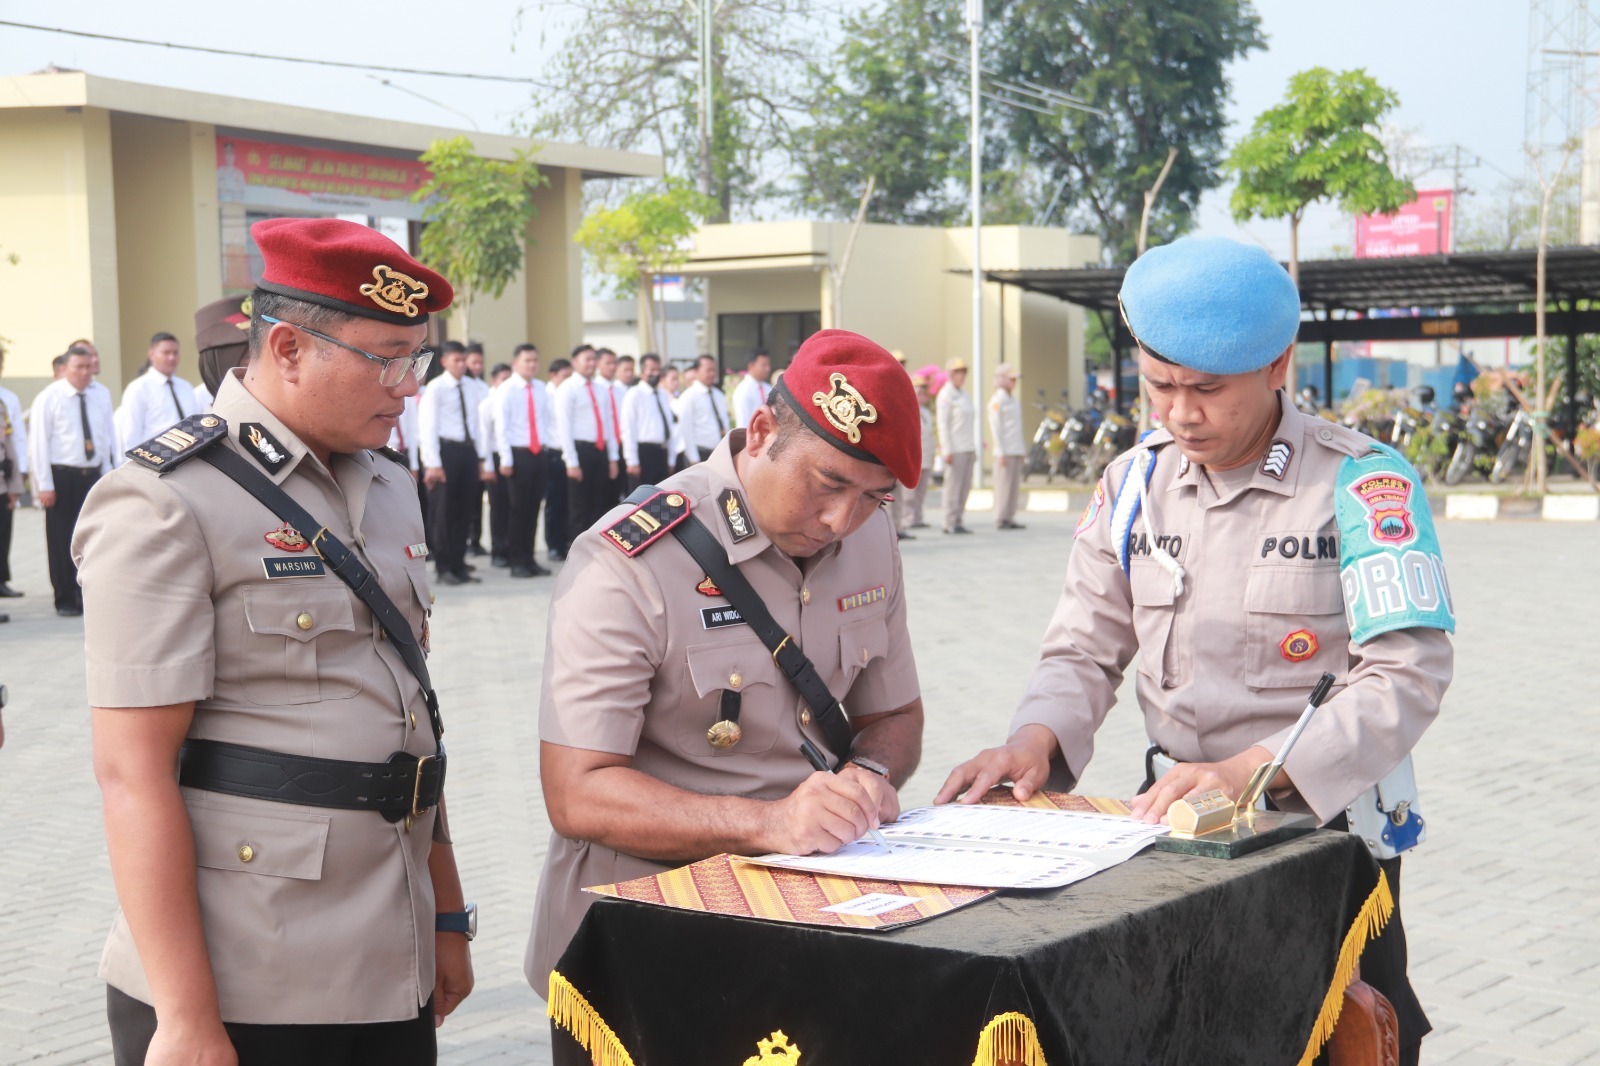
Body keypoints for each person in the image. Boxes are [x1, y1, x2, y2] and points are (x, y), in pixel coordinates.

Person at [936, 237, 1453, 1066]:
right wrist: (1033, 742)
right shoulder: (1133, 484)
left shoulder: (1360, 485)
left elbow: (1406, 674)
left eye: (1207, 390)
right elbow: (1082, 646)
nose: (1180, 414)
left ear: (1279, 363)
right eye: (1160, 387)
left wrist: (1253, 767)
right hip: (1173, 831)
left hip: (1322, 841)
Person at [74, 216, 474, 1064]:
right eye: (387, 359)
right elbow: (131, 774)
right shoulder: (164, 501)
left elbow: (409, 721)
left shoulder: (388, 484)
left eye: (420, 360)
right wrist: (185, 1019)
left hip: (387, 949)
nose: (409, 386)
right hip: (248, 972)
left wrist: (445, 912)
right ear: (289, 347)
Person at [526, 328, 926, 988]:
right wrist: (769, 823)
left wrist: (868, 774)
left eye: (872, 497)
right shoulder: (631, 562)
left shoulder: (872, 540)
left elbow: (897, 712)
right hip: (645, 937)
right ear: (763, 430)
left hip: (808, 922)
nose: (840, 521)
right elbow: (578, 793)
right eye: (827, 483)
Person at [29, 347, 115, 616]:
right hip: (62, 476)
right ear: (65, 369)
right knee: (62, 538)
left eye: (89, 366)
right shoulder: (49, 397)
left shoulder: (100, 394)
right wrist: (44, 484)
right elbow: (39, 443)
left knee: (95, 538)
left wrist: (110, 473)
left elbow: (107, 438)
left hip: (93, 474)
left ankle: (89, 593)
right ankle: (65, 597)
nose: (86, 372)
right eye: (79, 367)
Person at [419, 343, 491, 586]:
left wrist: (482, 459)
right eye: (457, 360)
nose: (462, 365)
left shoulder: (472, 387)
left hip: (468, 451)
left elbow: (478, 425)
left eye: (464, 360)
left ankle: (459, 564)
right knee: (444, 512)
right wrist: (433, 463)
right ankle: (444, 566)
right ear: (445, 361)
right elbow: (427, 426)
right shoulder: (436, 388)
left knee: (466, 509)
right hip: (445, 451)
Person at [493, 344, 554, 578]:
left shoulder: (541, 388)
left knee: (533, 509)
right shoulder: (506, 389)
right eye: (527, 360)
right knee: (518, 510)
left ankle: (530, 558)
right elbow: (502, 427)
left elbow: (546, 421)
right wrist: (506, 459)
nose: (532, 365)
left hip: (539, 454)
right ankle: (517, 560)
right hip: (518, 455)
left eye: (535, 360)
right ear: (515, 363)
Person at [554, 345, 620, 544]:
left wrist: (613, 458)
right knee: (579, 507)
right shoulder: (568, 387)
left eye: (594, 359)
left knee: (599, 505)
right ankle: (578, 552)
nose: (591, 364)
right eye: (587, 359)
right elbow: (564, 426)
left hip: (600, 451)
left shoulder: (600, 389)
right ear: (575, 363)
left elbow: (608, 423)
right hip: (580, 451)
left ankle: (598, 550)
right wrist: (571, 462)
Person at [114, 333, 198, 448]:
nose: (172, 357)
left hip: (189, 455)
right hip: (156, 457)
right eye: (166, 353)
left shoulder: (186, 387)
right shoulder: (139, 388)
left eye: (175, 353)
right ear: (151, 354)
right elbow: (131, 433)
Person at [620, 352, 681, 490]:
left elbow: (670, 428)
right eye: (651, 370)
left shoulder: (662, 394)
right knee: (642, 500)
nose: (656, 373)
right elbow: (628, 429)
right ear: (642, 372)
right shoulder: (634, 394)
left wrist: (671, 458)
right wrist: (632, 461)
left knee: (660, 499)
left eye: (658, 370)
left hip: (661, 453)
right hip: (644, 453)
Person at [0, 341, 27, 600]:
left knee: (3, 531)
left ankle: (1, 580)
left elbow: (12, 442)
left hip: (2, 479)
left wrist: (16, 483)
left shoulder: (6, 400)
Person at [936, 358, 975, 534]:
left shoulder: (964, 394)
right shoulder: (946, 395)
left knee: (964, 487)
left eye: (964, 372)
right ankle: (949, 521)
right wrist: (947, 449)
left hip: (967, 446)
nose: (962, 376)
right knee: (953, 487)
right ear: (951, 374)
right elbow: (943, 424)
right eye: (959, 372)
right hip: (955, 448)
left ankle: (958, 519)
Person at [481, 362, 513, 566]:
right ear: (494, 380)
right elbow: (484, 437)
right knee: (498, 507)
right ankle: (498, 551)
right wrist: (488, 467)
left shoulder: (511, 399)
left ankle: (511, 548)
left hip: (510, 457)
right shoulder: (488, 403)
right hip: (494, 457)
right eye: (503, 380)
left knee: (512, 506)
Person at [988, 363, 1026, 531]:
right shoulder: (997, 400)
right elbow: (996, 428)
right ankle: (1000, 517)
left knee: (1013, 485)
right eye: (1011, 379)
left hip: (1015, 448)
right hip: (1004, 450)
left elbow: (1017, 427)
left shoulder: (1013, 400)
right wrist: (1001, 451)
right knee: (1003, 485)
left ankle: (1010, 516)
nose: (1014, 383)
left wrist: (1022, 449)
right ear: (1002, 380)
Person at [543, 358, 574, 561]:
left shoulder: (569, 394)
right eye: (564, 376)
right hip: (552, 453)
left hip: (568, 454)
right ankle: (553, 544)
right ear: (553, 375)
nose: (568, 381)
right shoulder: (546, 395)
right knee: (554, 502)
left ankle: (565, 541)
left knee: (567, 501)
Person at [676, 354, 729, 464]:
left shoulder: (719, 395)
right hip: (700, 454)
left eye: (714, 370)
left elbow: (725, 422)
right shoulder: (689, 396)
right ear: (696, 371)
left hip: (720, 453)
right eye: (708, 370)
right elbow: (686, 429)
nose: (712, 374)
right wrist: (693, 458)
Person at [901, 373, 936, 533]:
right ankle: (907, 518)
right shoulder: (907, 408)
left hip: (926, 455)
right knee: (909, 492)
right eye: (919, 388)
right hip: (914, 455)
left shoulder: (927, 412)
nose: (922, 392)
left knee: (921, 490)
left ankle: (917, 517)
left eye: (924, 389)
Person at [594, 348, 628, 504]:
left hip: (621, 445)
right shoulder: (595, 389)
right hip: (602, 446)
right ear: (598, 363)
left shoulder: (621, 390)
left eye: (614, 363)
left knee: (619, 495)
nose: (612, 367)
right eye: (608, 363)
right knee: (602, 495)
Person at [731, 351, 772, 428]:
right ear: (751, 366)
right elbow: (743, 422)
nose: (768, 369)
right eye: (764, 365)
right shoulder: (743, 390)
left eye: (768, 365)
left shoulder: (768, 388)